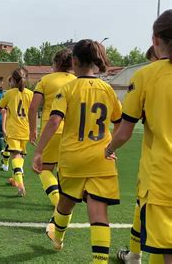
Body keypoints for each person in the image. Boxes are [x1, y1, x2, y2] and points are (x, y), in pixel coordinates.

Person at [32, 39, 122, 264]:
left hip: (74, 159)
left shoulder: (68, 88)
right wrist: (112, 148)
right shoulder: (108, 90)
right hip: (102, 159)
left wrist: (38, 151)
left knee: (65, 203)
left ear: (75, 61)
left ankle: (58, 237)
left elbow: (54, 121)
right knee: (99, 215)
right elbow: (120, 122)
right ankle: (99, 261)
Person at [106, 10, 172, 264]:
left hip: (162, 179)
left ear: (155, 40)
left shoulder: (146, 76)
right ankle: (134, 255)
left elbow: (123, 132)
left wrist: (108, 149)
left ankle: (134, 256)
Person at [28, 49, 76, 207]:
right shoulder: (77, 80)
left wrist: (33, 130)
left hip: (52, 130)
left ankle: (58, 204)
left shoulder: (45, 80)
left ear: (56, 63)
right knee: (63, 172)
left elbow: (33, 107)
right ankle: (62, 203)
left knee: (44, 170)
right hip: (73, 133)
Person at [0, 68, 33, 196]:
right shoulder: (31, 94)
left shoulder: (9, 93)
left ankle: (20, 185)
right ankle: (14, 179)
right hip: (25, 130)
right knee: (21, 157)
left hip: (13, 130)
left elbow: (0, 108)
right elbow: (34, 113)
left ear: (12, 80)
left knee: (15, 157)